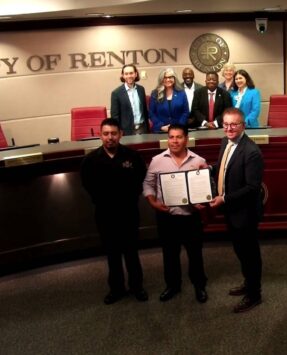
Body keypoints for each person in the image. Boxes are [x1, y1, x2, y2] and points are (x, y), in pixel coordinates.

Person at [80, 118, 148, 304]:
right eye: (106, 134)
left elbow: (140, 180)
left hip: (128, 213)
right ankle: (116, 289)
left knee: (132, 253)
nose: (110, 138)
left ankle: (137, 287)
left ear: (121, 134)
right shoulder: (91, 160)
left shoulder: (132, 157)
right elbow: (88, 184)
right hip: (105, 215)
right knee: (112, 254)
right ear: (100, 136)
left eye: (114, 133)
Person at [143, 123, 209, 303]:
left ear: (186, 139)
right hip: (166, 217)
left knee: (195, 254)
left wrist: (202, 201)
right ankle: (173, 285)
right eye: (171, 137)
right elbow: (148, 184)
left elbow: (206, 187)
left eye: (178, 137)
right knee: (169, 254)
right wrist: (153, 202)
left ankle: (199, 285)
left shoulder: (198, 161)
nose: (174, 141)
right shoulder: (157, 160)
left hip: (190, 217)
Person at [210, 108, 264, 313]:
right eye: (225, 124)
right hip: (232, 211)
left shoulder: (252, 152)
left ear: (243, 125)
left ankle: (254, 294)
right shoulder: (226, 142)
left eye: (234, 124)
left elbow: (252, 189)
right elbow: (223, 166)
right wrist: (209, 169)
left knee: (250, 254)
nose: (229, 128)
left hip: (245, 213)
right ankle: (248, 284)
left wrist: (223, 198)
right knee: (241, 251)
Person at [110, 64, 150, 135]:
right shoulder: (116, 93)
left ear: (135, 74)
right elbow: (115, 117)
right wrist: (118, 131)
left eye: (131, 73)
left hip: (143, 129)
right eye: (126, 74)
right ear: (123, 75)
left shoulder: (141, 89)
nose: (129, 76)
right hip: (126, 132)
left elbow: (144, 110)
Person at [149, 68, 189, 133]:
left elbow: (185, 112)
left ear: (174, 78)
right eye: (165, 77)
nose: (168, 79)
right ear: (161, 79)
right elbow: (151, 113)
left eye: (170, 77)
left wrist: (179, 126)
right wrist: (161, 126)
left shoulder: (181, 93)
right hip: (160, 130)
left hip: (179, 130)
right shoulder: (155, 93)